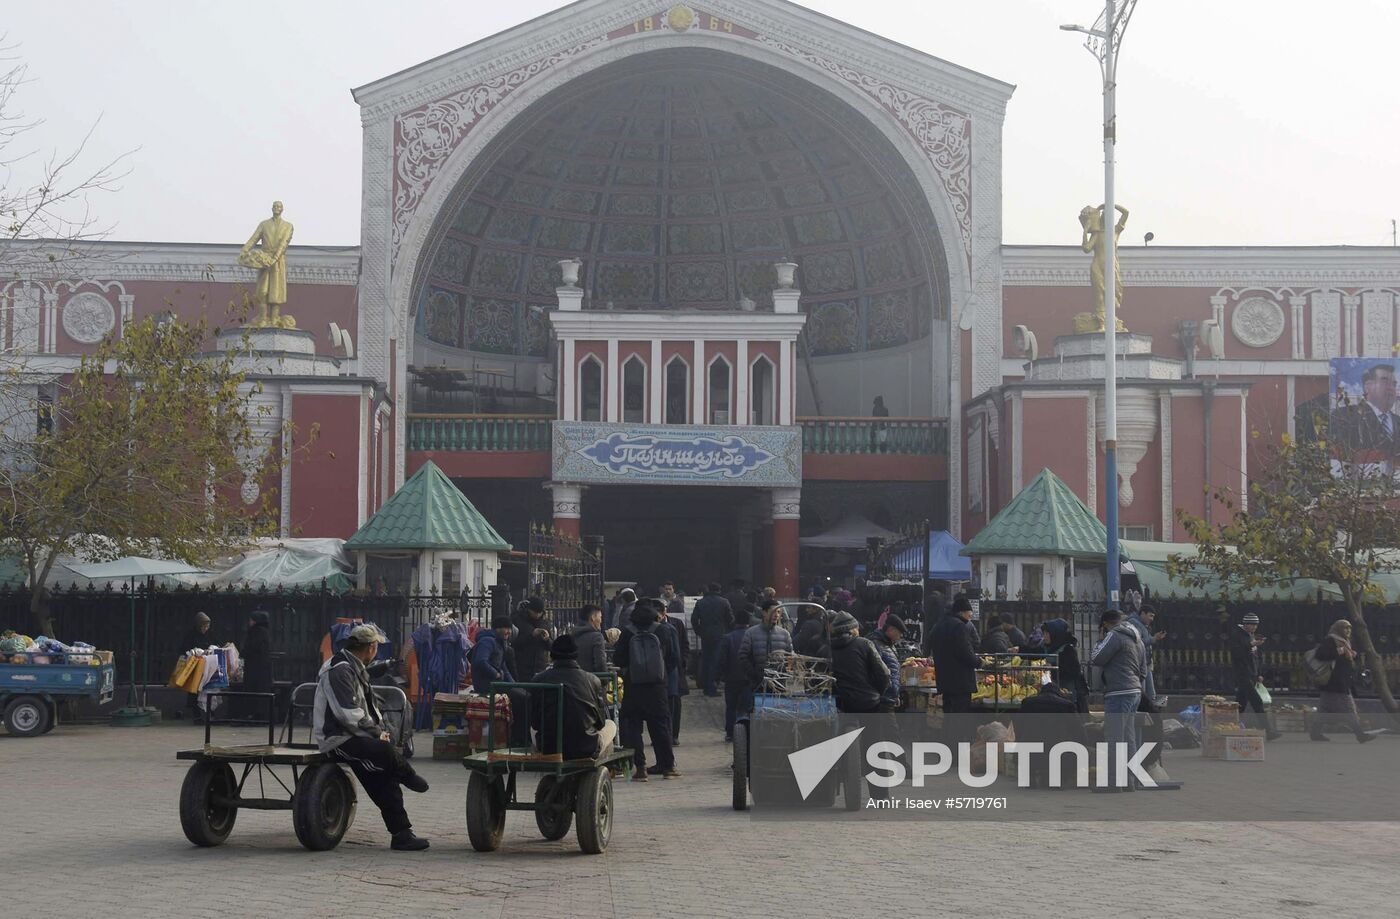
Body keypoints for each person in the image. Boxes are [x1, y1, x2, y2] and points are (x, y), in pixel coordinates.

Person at [313, 624, 430, 851]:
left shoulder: (354, 666)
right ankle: (407, 774)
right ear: (370, 648)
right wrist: (377, 734)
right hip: (338, 739)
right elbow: (348, 715)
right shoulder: (340, 670)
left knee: (384, 774)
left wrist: (378, 733)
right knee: (385, 754)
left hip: (355, 736)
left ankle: (402, 833)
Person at [614, 603, 678, 780]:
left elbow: (618, 658)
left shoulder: (627, 632)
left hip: (634, 687)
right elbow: (672, 657)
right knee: (661, 728)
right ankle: (668, 768)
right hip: (657, 688)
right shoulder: (662, 631)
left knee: (634, 729)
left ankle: (640, 768)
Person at [529, 635, 618, 759]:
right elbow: (600, 722)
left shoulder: (538, 680)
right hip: (586, 747)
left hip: (548, 747)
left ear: (552, 656)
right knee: (611, 725)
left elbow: (534, 722)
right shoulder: (592, 679)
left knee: (532, 729)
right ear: (576, 655)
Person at [1091, 610, 1145, 790]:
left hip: (1118, 692)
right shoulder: (1137, 637)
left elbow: (1096, 658)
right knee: (1129, 738)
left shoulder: (1113, 635)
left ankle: (1114, 782)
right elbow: (1144, 670)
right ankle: (1130, 781)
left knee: (1114, 738)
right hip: (1134, 690)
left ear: (1105, 624)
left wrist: (1100, 640)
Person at [1310, 619, 1377, 744]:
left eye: (1349, 628)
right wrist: (1340, 651)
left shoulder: (1346, 642)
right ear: (1338, 629)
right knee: (1349, 709)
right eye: (1345, 628)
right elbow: (1321, 654)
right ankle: (1360, 734)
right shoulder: (1331, 639)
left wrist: (1352, 655)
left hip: (1337, 683)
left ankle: (1315, 732)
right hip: (1335, 682)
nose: (1348, 631)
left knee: (1324, 709)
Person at [471, 615, 532, 748]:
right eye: (506, 628)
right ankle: (518, 739)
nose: (509, 632)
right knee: (521, 700)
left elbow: (503, 667)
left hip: (497, 684)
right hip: (488, 685)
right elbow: (480, 661)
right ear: (497, 629)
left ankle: (522, 738)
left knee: (524, 696)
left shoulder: (499, 643)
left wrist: (514, 685)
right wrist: (496, 674)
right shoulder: (488, 642)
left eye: (509, 629)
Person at [1229, 612, 1281, 740]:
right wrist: (1251, 645)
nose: (1254, 627)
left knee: (1240, 703)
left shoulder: (1250, 636)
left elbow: (1256, 657)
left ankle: (1231, 727)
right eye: (1251, 624)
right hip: (1242, 673)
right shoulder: (1238, 636)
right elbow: (1237, 653)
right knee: (1257, 701)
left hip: (1251, 673)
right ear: (1245, 624)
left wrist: (1258, 673)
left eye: (1255, 625)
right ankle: (1268, 731)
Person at [1329, 363, 1400, 454]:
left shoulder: (1397, 420)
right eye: (1385, 382)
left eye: (1394, 384)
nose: (1391, 388)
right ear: (1368, 387)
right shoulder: (1345, 415)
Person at [929, 595, 980, 717]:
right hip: (960, 682)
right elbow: (965, 652)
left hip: (944, 681)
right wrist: (979, 662)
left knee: (948, 716)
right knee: (959, 717)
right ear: (962, 612)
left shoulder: (938, 625)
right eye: (969, 612)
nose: (971, 615)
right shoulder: (959, 626)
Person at [738, 598, 794, 691]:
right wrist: (755, 675)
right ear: (764, 612)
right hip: (756, 683)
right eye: (773, 611)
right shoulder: (751, 633)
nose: (776, 615)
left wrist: (785, 672)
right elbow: (742, 657)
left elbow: (790, 656)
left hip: (779, 683)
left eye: (779, 612)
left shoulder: (784, 634)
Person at [714, 608, 752, 741]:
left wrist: (717, 677)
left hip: (731, 678)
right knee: (747, 707)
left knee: (731, 707)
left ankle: (730, 733)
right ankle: (746, 732)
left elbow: (721, 659)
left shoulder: (728, 637)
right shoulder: (752, 636)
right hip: (749, 678)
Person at [690, 582, 733, 697]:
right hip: (720, 635)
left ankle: (705, 685)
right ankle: (711, 687)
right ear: (719, 590)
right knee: (716, 660)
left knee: (706, 659)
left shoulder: (700, 602)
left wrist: (699, 631)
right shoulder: (724, 602)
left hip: (705, 635)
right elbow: (730, 619)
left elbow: (694, 619)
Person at [655, 600, 687, 747]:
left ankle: (673, 735)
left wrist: (681, 664)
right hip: (662, 673)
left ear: (663, 613)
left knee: (674, 705)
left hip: (673, 672)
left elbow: (681, 648)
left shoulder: (676, 625)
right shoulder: (653, 628)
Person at [1041, 618, 1089, 714]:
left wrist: (1053, 667)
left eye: (1047, 633)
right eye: (1044, 633)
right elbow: (1034, 652)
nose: (1044, 636)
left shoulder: (1068, 650)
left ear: (1055, 634)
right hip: (1053, 691)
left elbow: (1074, 671)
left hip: (1067, 693)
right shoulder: (1048, 647)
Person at [240, 610, 273, 721]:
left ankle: (253, 714)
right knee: (262, 691)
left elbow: (251, 647)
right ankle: (260, 714)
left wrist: (243, 652)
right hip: (263, 667)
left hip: (254, 667)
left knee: (253, 690)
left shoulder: (256, 632)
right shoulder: (265, 632)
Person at [511, 597, 553, 681]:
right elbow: (514, 643)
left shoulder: (545, 624)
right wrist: (531, 635)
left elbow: (551, 647)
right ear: (529, 610)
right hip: (522, 665)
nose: (537, 615)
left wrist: (547, 639)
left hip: (539, 666)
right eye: (535, 612)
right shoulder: (518, 620)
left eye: (539, 613)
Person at [868, 614, 904, 710]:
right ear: (891, 630)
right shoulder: (875, 644)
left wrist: (895, 695)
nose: (901, 636)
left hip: (889, 698)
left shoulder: (890, 645)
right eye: (899, 632)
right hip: (881, 699)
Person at [572, 604, 608, 674]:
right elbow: (600, 664)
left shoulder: (572, 635)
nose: (601, 621)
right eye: (600, 617)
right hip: (592, 680)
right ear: (593, 617)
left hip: (575, 679)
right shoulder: (597, 637)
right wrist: (605, 680)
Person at [920, 590, 946, 657]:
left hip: (927, 623)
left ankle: (925, 656)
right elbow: (940, 614)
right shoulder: (939, 600)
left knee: (927, 642)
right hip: (935, 624)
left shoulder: (928, 598)